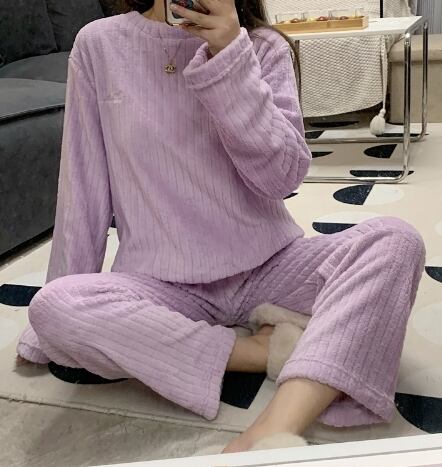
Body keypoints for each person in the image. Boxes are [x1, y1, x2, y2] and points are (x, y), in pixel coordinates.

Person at [15, 0, 427, 454]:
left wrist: (230, 57)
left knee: (394, 241)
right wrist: (46, 330)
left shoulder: (262, 46)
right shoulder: (100, 44)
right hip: (162, 283)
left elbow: (282, 179)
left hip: (271, 267)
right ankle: (263, 351)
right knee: (57, 305)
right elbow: (83, 186)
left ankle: (273, 428)